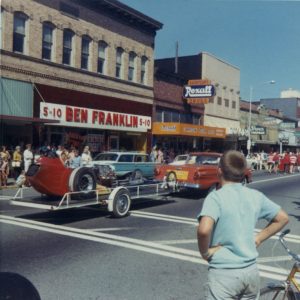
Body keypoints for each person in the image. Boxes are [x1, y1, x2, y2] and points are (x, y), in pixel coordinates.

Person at [197, 150, 289, 299]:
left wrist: (205, 253)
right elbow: (283, 218)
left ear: (219, 171)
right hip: (251, 272)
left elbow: (204, 230)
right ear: (244, 172)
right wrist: (258, 238)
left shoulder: (215, 197)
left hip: (224, 274)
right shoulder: (255, 195)